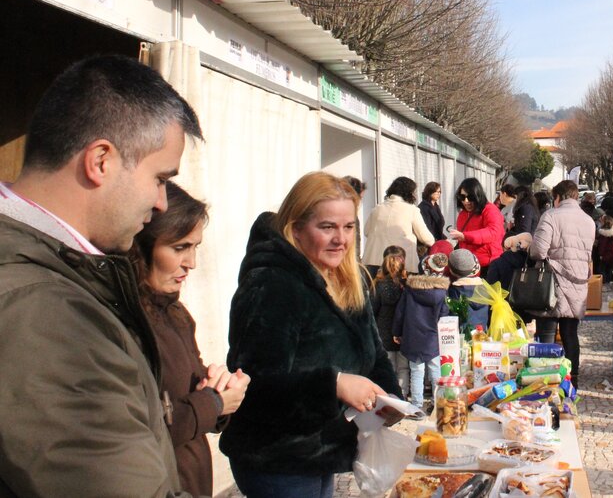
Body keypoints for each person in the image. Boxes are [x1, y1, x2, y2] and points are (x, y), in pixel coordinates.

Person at [0, 55, 202, 497]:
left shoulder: (52, 274)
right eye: (160, 178)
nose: (163, 203)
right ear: (101, 161)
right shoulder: (41, 313)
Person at [221, 172, 401, 498]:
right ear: (296, 229)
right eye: (327, 227)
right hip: (276, 457)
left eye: (349, 227)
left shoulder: (346, 277)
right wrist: (333, 384)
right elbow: (255, 384)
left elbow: (372, 351)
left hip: (321, 450)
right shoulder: (272, 284)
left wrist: (391, 403)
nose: (341, 239)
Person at [131, 180, 250, 495]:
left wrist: (220, 392)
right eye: (180, 247)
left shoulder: (176, 313)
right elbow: (137, 432)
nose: (191, 263)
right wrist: (212, 402)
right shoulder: (126, 322)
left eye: (195, 247)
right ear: (141, 245)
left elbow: (193, 406)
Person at [530, 180, 596, 385]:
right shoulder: (589, 220)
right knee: (570, 334)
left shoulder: (550, 216)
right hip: (576, 285)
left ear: (558, 197)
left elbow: (538, 251)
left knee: (547, 333)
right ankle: (572, 379)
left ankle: (546, 380)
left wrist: (527, 247)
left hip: (551, 284)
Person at [394, 250, 451, 409]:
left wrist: (396, 332)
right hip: (432, 339)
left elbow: (400, 313)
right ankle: (437, 403)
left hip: (413, 337)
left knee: (416, 372)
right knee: (435, 372)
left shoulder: (410, 290)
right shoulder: (441, 293)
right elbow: (444, 315)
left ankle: (416, 405)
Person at [362, 176, 435, 273]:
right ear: (409, 193)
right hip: (400, 264)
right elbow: (427, 239)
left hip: (373, 262)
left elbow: (366, 231)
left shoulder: (377, 208)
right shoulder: (412, 210)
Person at [371, 245, 410, 400]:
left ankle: (388, 395)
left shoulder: (379, 285)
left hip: (384, 332)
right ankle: (403, 394)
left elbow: (372, 310)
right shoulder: (407, 285)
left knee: (388, 367)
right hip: (403, 332)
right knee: (404, 368)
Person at [448, 177, 505, 277]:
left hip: (488, 265)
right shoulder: (463, 214)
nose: (466, 201)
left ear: (477, 195)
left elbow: (493, 232)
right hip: (468, 266)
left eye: (470, 197)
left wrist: (465, 236)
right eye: (462, 197)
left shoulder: (489, 209)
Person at [594, 213, 613, 283]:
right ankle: (608, 282)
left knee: (602, 270)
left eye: (601, 221)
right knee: (608, 269)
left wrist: (601, 254)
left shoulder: (604, 234)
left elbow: (603, 246)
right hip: (611, 254)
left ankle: (604, 283)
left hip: (605, 255)